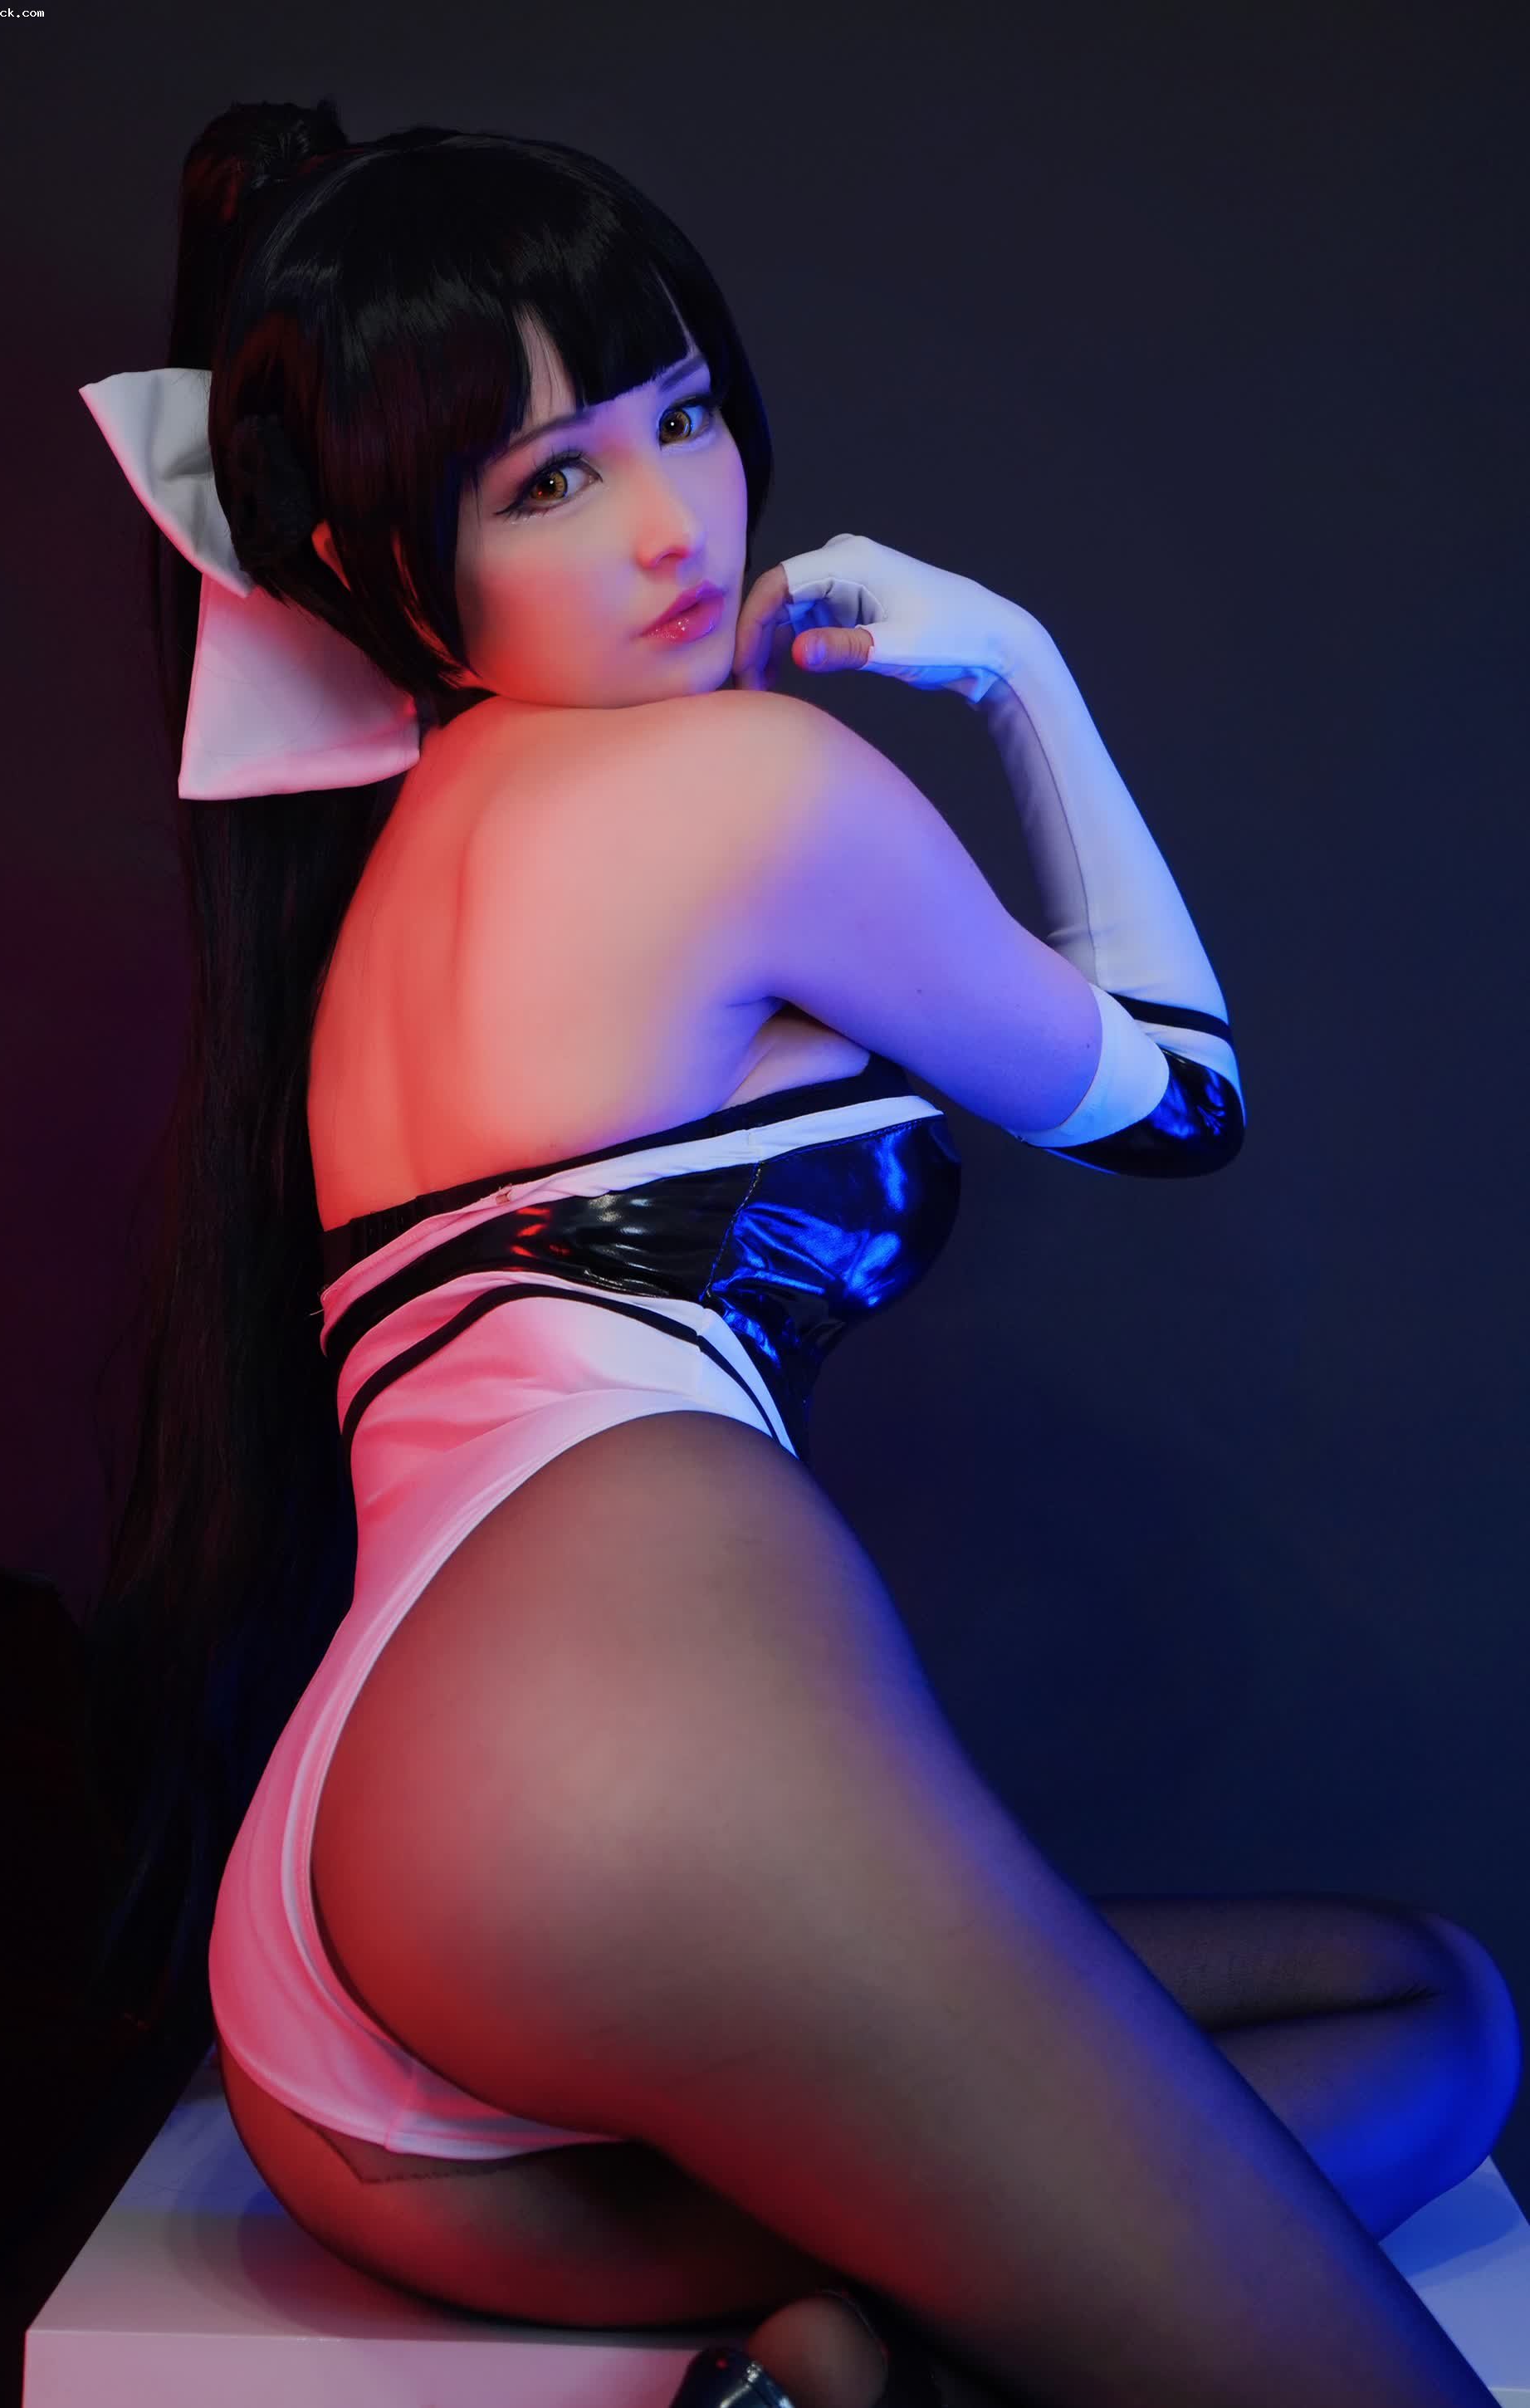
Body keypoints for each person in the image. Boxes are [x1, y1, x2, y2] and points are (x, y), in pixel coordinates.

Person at [74, 97, 1518, 2408]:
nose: (674, 526)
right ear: (377, 561)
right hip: (616, 1760)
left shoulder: (381, 898)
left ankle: (867, 2368)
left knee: (1431, 2007)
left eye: (682, 417)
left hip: (352, 2013)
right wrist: (1017, 669)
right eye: (552, 483)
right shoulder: (738, 786)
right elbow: (1180, 1096)